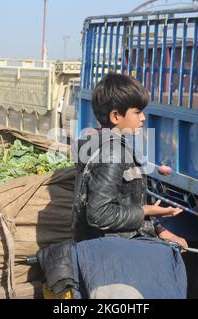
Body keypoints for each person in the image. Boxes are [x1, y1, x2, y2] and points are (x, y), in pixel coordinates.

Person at [72, 73, 188, 249]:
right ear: (115, 117)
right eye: (137, 112)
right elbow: (100, 215)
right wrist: (146, 210)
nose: (143, 118)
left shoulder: (105, 144)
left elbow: (123, 204)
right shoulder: (112, 155)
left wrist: (160, 230)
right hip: (109, 253)